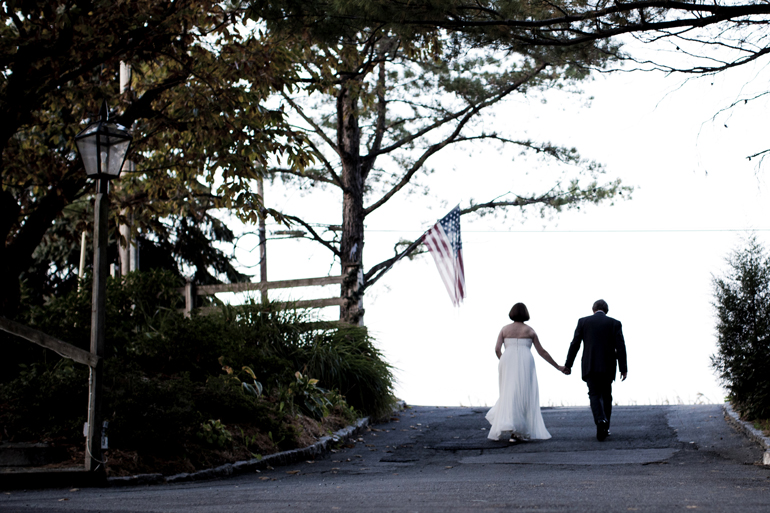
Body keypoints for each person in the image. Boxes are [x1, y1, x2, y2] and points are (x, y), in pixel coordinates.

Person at [486, 302, 566, 441]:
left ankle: (511, 426)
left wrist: (503, 360)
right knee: (523, 394)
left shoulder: (504, 329)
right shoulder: (530, 331)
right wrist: (557, 366)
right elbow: (542, 352)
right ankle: (517, 432)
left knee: (508, 392)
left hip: (507, 360)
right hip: (525, 361)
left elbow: (497, 349)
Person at [563, 299, 628, 441]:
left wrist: (568, 365)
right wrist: (623, 368)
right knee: (606, 395)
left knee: (593, 394)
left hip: (590, 364)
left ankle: (600, 420)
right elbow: (621, 346)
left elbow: (575, 344)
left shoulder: (583, 322)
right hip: (608, 365)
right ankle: (606, 426)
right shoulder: (614, 323)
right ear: (607, 310)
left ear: (593, 309)